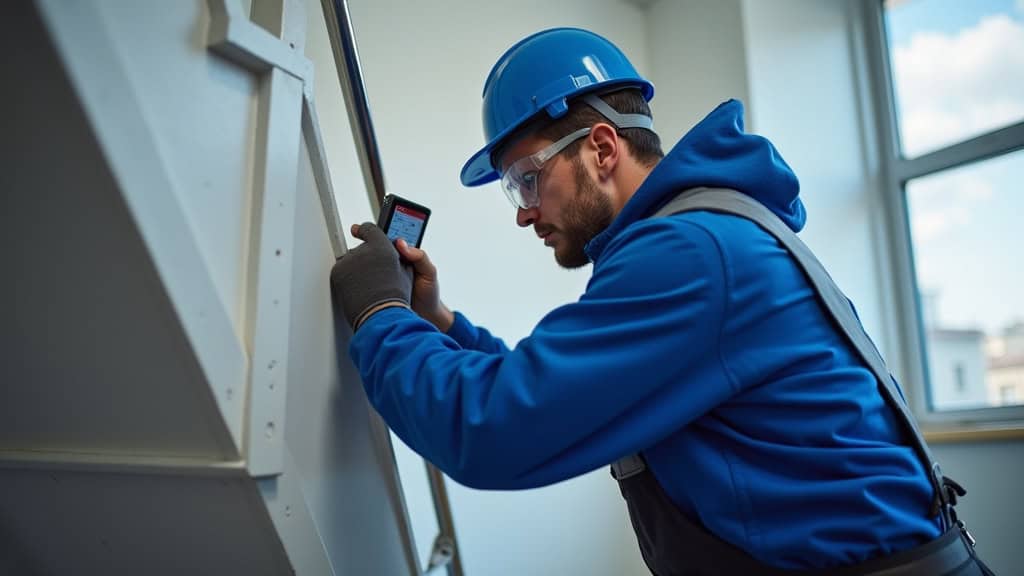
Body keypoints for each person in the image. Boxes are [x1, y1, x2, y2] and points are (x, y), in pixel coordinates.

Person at [330, 28, 993, 575]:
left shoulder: (689, 256)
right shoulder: (700, 237)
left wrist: (379, 315)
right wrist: (437, 323)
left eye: (527, 181)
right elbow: (547, 388)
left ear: (601, 149)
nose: (524, 215)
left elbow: (492, 428)